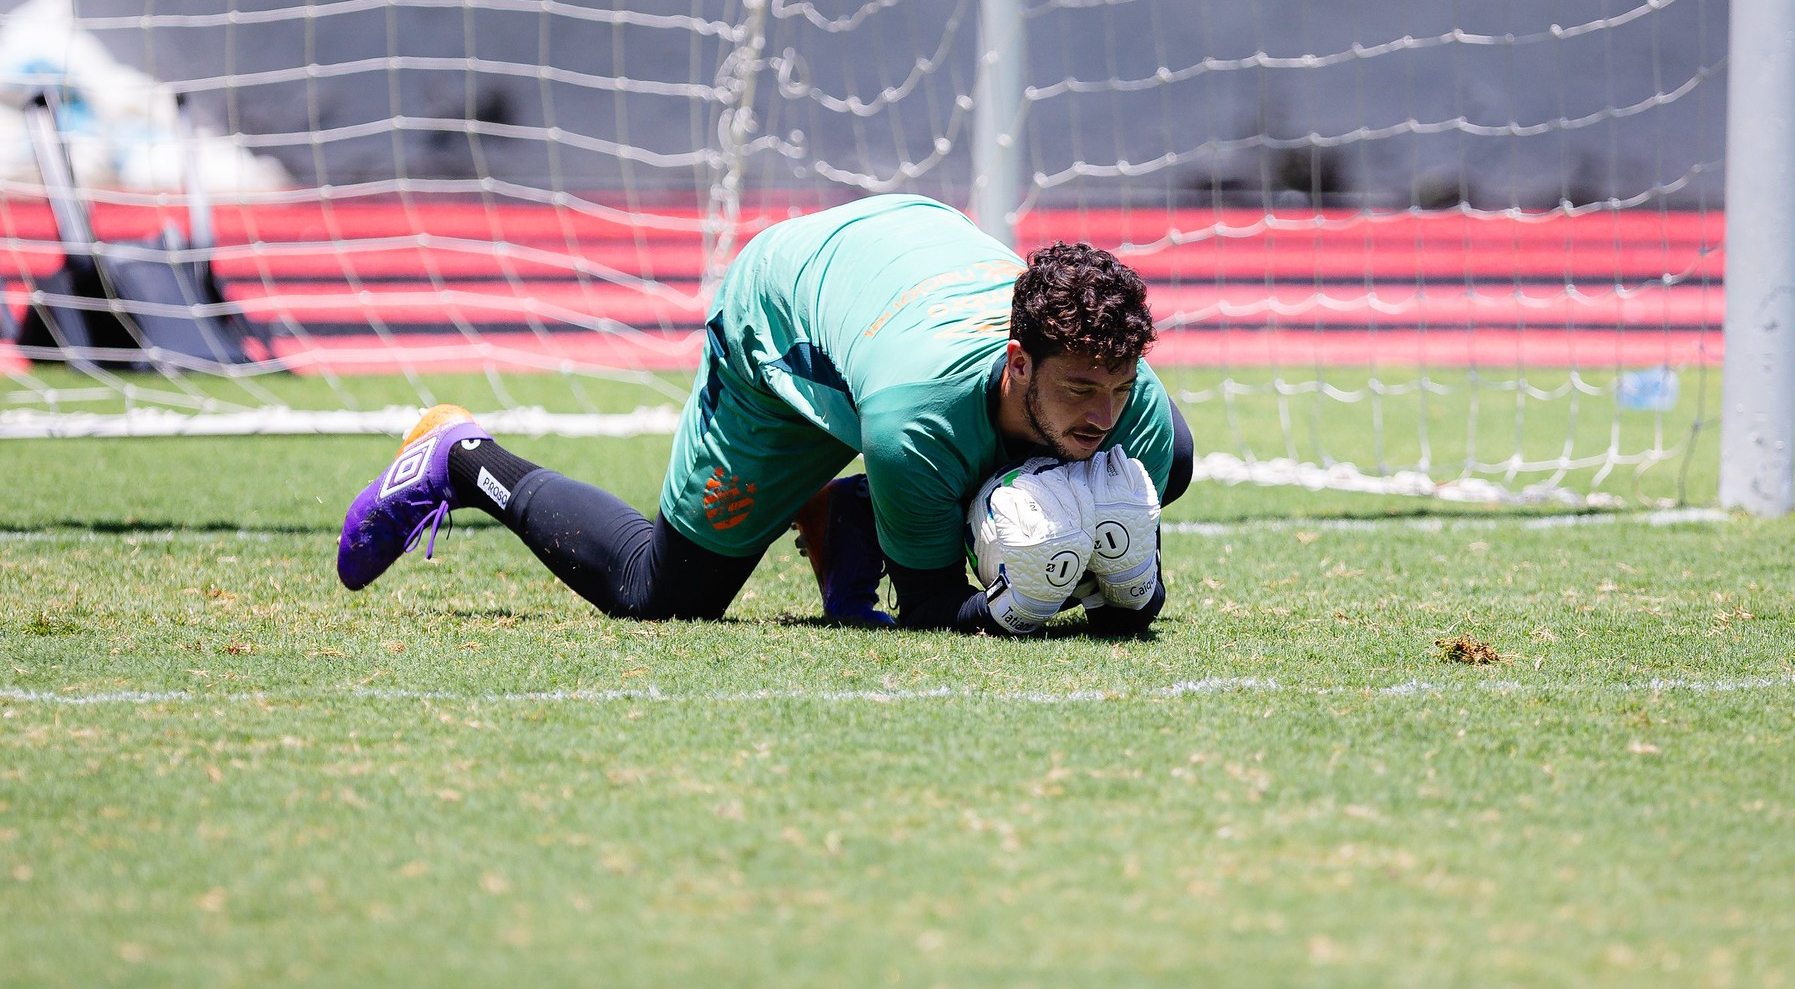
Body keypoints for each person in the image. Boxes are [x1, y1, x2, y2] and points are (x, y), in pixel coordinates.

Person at [335, 194, 1193, 636]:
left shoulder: (1134, 415)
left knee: (1165, 461)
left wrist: (1132, 589)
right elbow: (936, 614)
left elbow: (1126, 588)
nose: (1103, 414)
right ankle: (460, 456)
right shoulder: (915, 424)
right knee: (660, 595)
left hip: (908, 260)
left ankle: (850, 505)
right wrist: (1018, 605)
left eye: (1118, 388)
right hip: (789, 317)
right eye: (1080, 389)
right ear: (1019, 361)